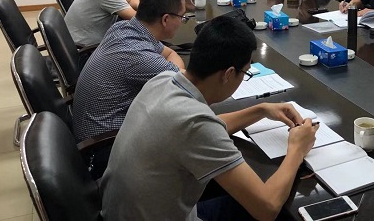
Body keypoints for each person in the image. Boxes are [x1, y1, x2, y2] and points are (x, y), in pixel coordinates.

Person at [100, 15, 318, 221]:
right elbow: (267, 208)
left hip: (118, 212)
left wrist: (261, 110)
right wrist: (297, 149)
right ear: (228, 74)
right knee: (280, 212)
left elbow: (209, 129)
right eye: (245, 73)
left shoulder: (164, 79)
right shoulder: (195, 124)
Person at [72, 0, 188, 178]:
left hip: (94, 133)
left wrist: (174, 67)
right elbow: (184, 81)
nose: (182, 21)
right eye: (182, 17)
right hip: (103, 150)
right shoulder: (138, 57)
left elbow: (170, 54)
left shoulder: (124, 28)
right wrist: (176, 68)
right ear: (166, 19)